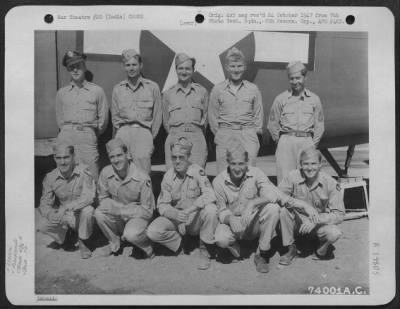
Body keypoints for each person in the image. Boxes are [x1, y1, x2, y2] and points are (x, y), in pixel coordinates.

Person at [213, 140, 295, 273]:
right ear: (228, 163)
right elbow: (220, 211)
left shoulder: (256, 173)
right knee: (221, 239)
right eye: (233, 164)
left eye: (241, 164)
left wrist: (252, 203)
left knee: (272, 208)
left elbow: (272, 194)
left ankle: (261, 253)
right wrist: (230, 219)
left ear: (247, 163)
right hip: (232, 224)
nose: (238, 168)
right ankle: (234, 245)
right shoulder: (218, 181)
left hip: (251, 222)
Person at [146, 137, 218, 270]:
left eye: (181, 157)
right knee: (153, 231)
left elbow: (210, 195)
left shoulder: (198, 171)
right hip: (177, 218)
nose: (177, 161)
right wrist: (174, 214)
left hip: (194, 217)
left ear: (189, 156)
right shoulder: (168, 175)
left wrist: (189, 211)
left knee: (211, 210)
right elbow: (162, 205)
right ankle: (180, 243)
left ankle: (205, 248)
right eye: (174, 157)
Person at [278, 146, 345, 261]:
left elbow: (339, 215)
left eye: (313, 164)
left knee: (334, 233)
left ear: (320, 165)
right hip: (297, 222)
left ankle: (320, 246)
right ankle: (290, 247)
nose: (309, 168)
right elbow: (278, 195)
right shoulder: (292, 176)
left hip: (316, 224)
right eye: (306, 164)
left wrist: (316, 220)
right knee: (284, 211)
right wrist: (301, 204)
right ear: (300, 165)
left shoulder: (331, 183)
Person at [94, 138, 155, 258]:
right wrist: (116, 207)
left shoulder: (142, 177)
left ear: (127, 155)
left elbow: (148, 211)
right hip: (118, 214)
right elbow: (103, 198)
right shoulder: (106, 173)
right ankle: (115, 242)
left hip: (137, 217)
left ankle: (147, 245)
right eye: (112, 157)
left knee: (131, 234)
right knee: (99, 212)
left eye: (119, 155)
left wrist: (122, 211)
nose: (116, 160)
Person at [267, 61, 325, 184]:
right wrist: (282, 141)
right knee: (285, 181)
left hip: (306, 141)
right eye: (291, 78)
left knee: (307, 181)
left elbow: (319, 126)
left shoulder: (314, 99)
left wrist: (312, 145)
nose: (295, 82)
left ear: (305, 77)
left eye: (298, 78)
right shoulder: (280, 99)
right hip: (286, 142)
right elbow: (272, 124)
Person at [208, 47, 263, 173]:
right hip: (225, 135)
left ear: (244, 67)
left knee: (249, 174)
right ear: (226, 67)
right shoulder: (218, 89)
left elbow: (258, 115)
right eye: (232, 66)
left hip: (247, 134)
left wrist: (252, 133)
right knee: (223, 174)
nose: (236, 70)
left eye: (239, 66)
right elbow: (213, 116)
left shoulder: (253, 89)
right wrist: (222, 133)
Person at [56, 50, 109, 180]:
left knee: (91, 175)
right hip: (67, 136)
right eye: (71, 67)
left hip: (87, 137)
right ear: (68, 70)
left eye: (78, 66)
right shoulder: (62, 93)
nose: (75, 70)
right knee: (67, 176)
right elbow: (60, 119)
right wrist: (68, 131)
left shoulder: (97, 91)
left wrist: (89, 133)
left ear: (84, 67)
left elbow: (103, 121)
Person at [36, 143, 95, 259]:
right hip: (64, 217)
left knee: (89, 210)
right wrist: (50, 214)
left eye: (66, 157)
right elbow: (44, 204)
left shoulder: (84, 172)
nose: (62, 162)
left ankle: (82, 240)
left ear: (73, 157)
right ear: (54, 158)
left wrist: (67, 207)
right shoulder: (50, 177)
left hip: (80, 216)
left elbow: (89, 197)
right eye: (58, 158)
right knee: (42, 225)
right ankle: (65, 236)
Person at [111, 49, 162, 175]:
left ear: (141, 65)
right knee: (121, 170)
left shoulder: (152, 87)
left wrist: (149, 136)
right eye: (128, 65)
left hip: (143, 131)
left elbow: (157, 116)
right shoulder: (118, 89)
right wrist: (120, 134)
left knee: (142, 171)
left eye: (134, 64)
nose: (131, 68)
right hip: (123, 131)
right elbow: (115, 116)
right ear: (124, 67)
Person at [162, 53, 209, 169]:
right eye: (180, 68)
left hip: (196, 138)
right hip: (175, 137)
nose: (184, 72)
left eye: (187, 68)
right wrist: (177, 133)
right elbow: (166, 121)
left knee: (197, 176)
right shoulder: (168, 93)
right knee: (174, 177)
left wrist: (196, 133)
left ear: (193, 70)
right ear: (176, 70)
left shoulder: (202, 92)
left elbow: (206, 120)